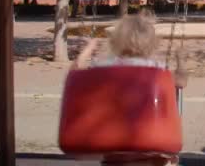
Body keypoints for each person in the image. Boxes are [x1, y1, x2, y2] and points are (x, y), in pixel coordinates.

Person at [73, 10, 184, 166]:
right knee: (171, 160)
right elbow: (180, 82)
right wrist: (180, 62)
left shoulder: (102, 67)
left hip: (112, 148)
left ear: (116, 40)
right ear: (152, 43)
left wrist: (89, 49)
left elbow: (76, 71)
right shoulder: (156, 69)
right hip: (148, 149)